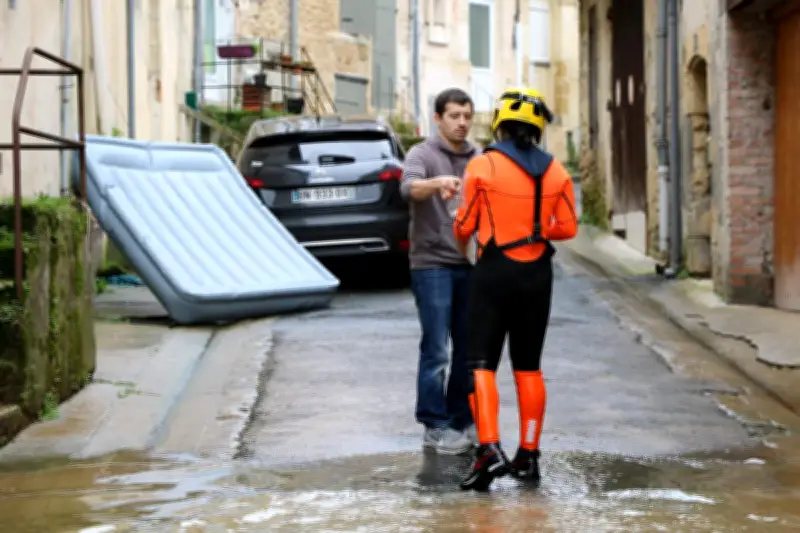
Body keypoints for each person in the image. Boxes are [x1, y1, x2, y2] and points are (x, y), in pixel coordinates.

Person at [450, 87, 579, 490]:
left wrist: (464, 245)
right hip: (537, 274)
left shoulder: (483, 165)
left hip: (493, 271)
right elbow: (568, 227)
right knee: (528, 365)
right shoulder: (557, 171)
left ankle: (489, 450)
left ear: (500, 125)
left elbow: (465, 224)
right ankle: (528, 454)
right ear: (538, 129)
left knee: (480, 363)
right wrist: (536, 229)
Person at [400, 88, 479, 455]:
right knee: (436, 349)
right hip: (432, 264)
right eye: (454, 116)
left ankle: (462, 420)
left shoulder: (479, 157)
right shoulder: (422, 153)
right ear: (438, 118)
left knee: (468, 349)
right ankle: (434, 425)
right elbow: (408, 188)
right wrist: (439, 183)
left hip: (471, 264)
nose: (462, 123)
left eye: (467, 116)